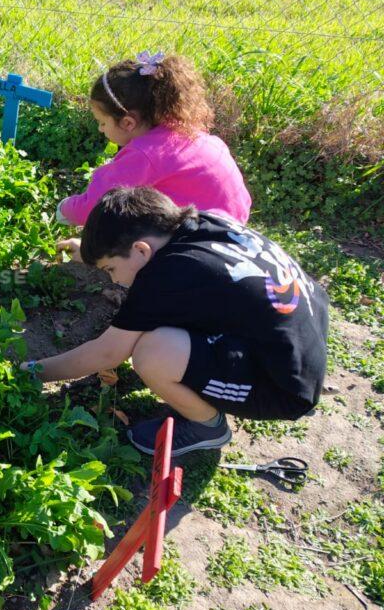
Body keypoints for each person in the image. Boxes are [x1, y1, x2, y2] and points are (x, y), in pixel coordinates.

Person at [23, 187, 328, 457]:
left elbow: (107, 353)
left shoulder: (165, 276)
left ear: (141, 249)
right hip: (302, 341)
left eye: (110, 269)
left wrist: (31, 373)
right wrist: (93, 253)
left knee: (153, 352)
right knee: (168, 323)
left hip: (282, 387)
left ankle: (207, 427)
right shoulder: (202, 223)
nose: (113, 279)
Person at [56, 52, 251, 229]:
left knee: (121, 224)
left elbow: (96, 205)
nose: (100, 129)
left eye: (102, 122)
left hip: (200, 238)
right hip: (235, 225)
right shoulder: (190, 133)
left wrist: (64, 208)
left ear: (128, 122)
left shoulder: (145, 154)